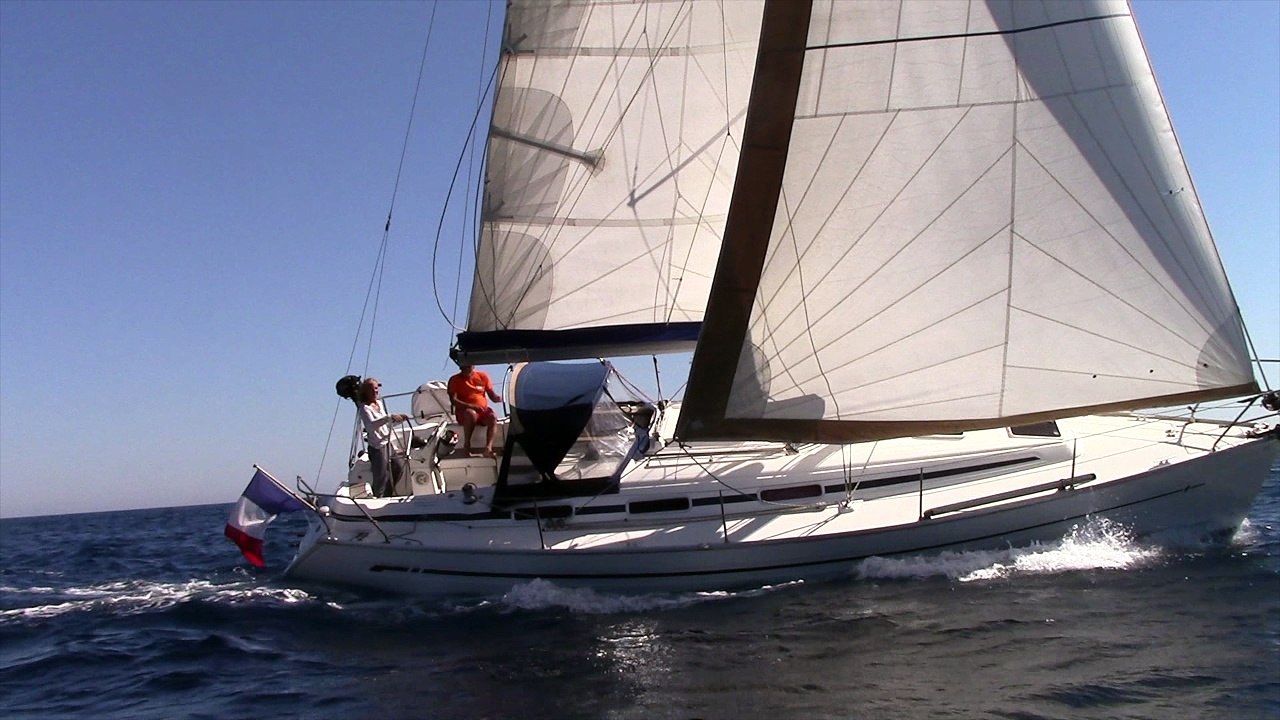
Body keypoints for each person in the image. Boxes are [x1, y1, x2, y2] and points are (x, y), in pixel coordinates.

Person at [357, 377, 410, 497]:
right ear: (366, 391)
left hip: (387, 443)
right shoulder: (365, 408)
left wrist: (400, 420)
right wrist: (389, 417)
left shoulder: (379, 404)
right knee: (381, 476)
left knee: (398, 468)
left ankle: (388, 495)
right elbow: (371, 425)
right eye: (372, 389)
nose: (375, 391)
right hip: (377, 447)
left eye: (376, 389)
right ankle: (378, 498)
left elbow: (386, 423)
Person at [447, 364, 502, 457]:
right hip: (464, 412)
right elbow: (454, 401)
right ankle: (467, 446)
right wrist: (472, 406)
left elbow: (492, 395)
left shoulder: (483, 376)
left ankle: (488, 448)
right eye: (465, 366)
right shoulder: (454, 380)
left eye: (469, 366)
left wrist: (498, 398)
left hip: (482, 410)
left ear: (473, 366)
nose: (468, 368)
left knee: (493, 417)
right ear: (461, 367)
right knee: (470, 413)